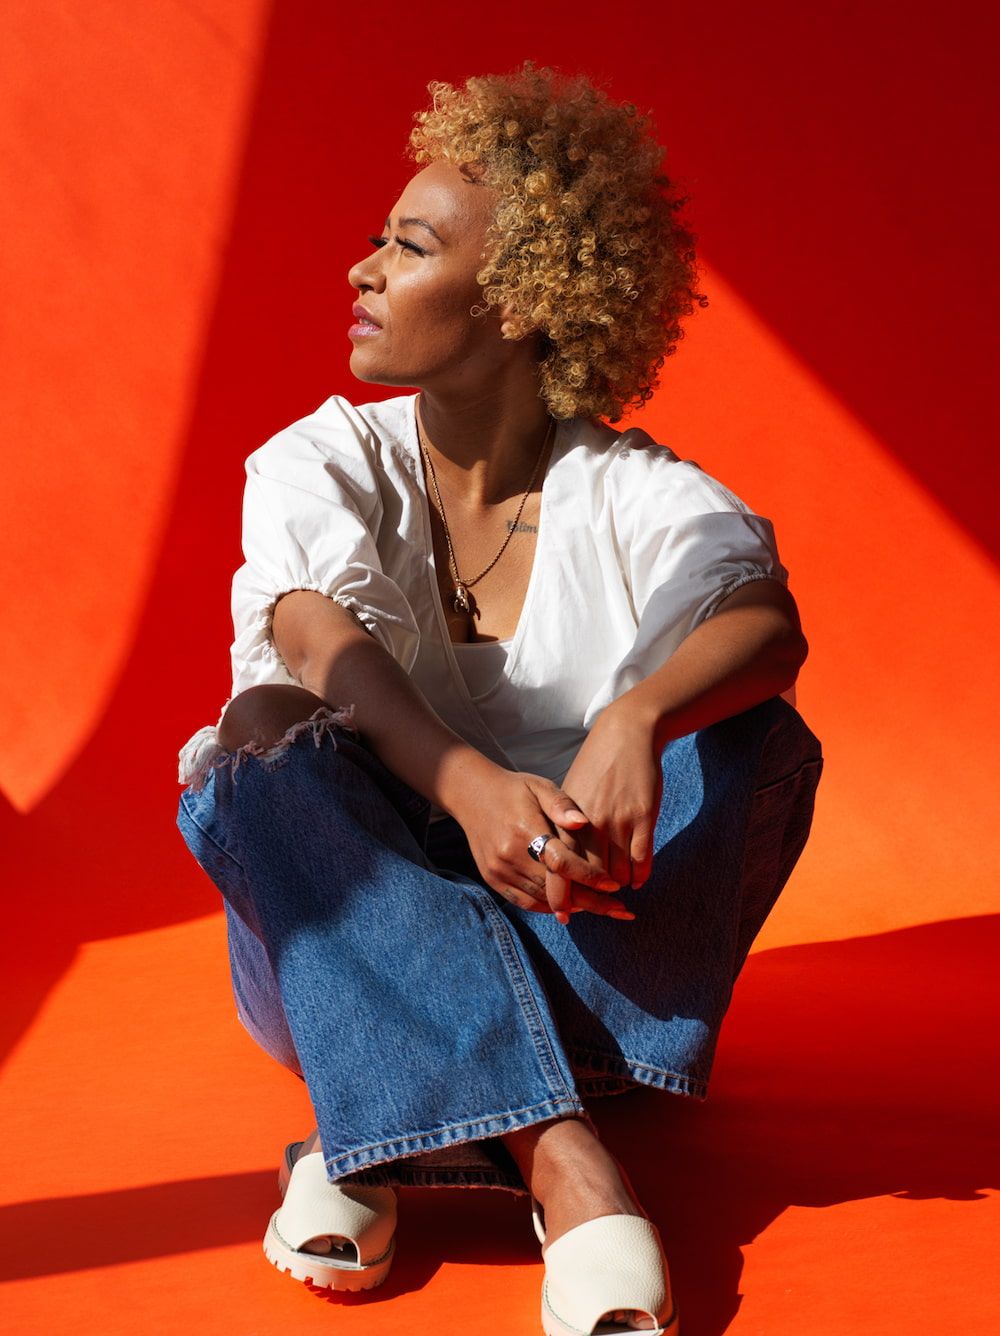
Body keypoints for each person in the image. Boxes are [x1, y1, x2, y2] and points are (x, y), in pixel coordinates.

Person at [175, 59, 823, 1336]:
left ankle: (383, 1128)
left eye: (407, 246)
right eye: (377, 240)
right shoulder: (318, 460)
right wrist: (468, 787)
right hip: (344, 909)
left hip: (589, 940)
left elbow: (763, 620)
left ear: (524, 301)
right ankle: (561, 1156)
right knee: (257, 740)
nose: (360, 270)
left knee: (754, 730)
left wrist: (635, 720)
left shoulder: (625, 488)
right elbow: (314, 637)